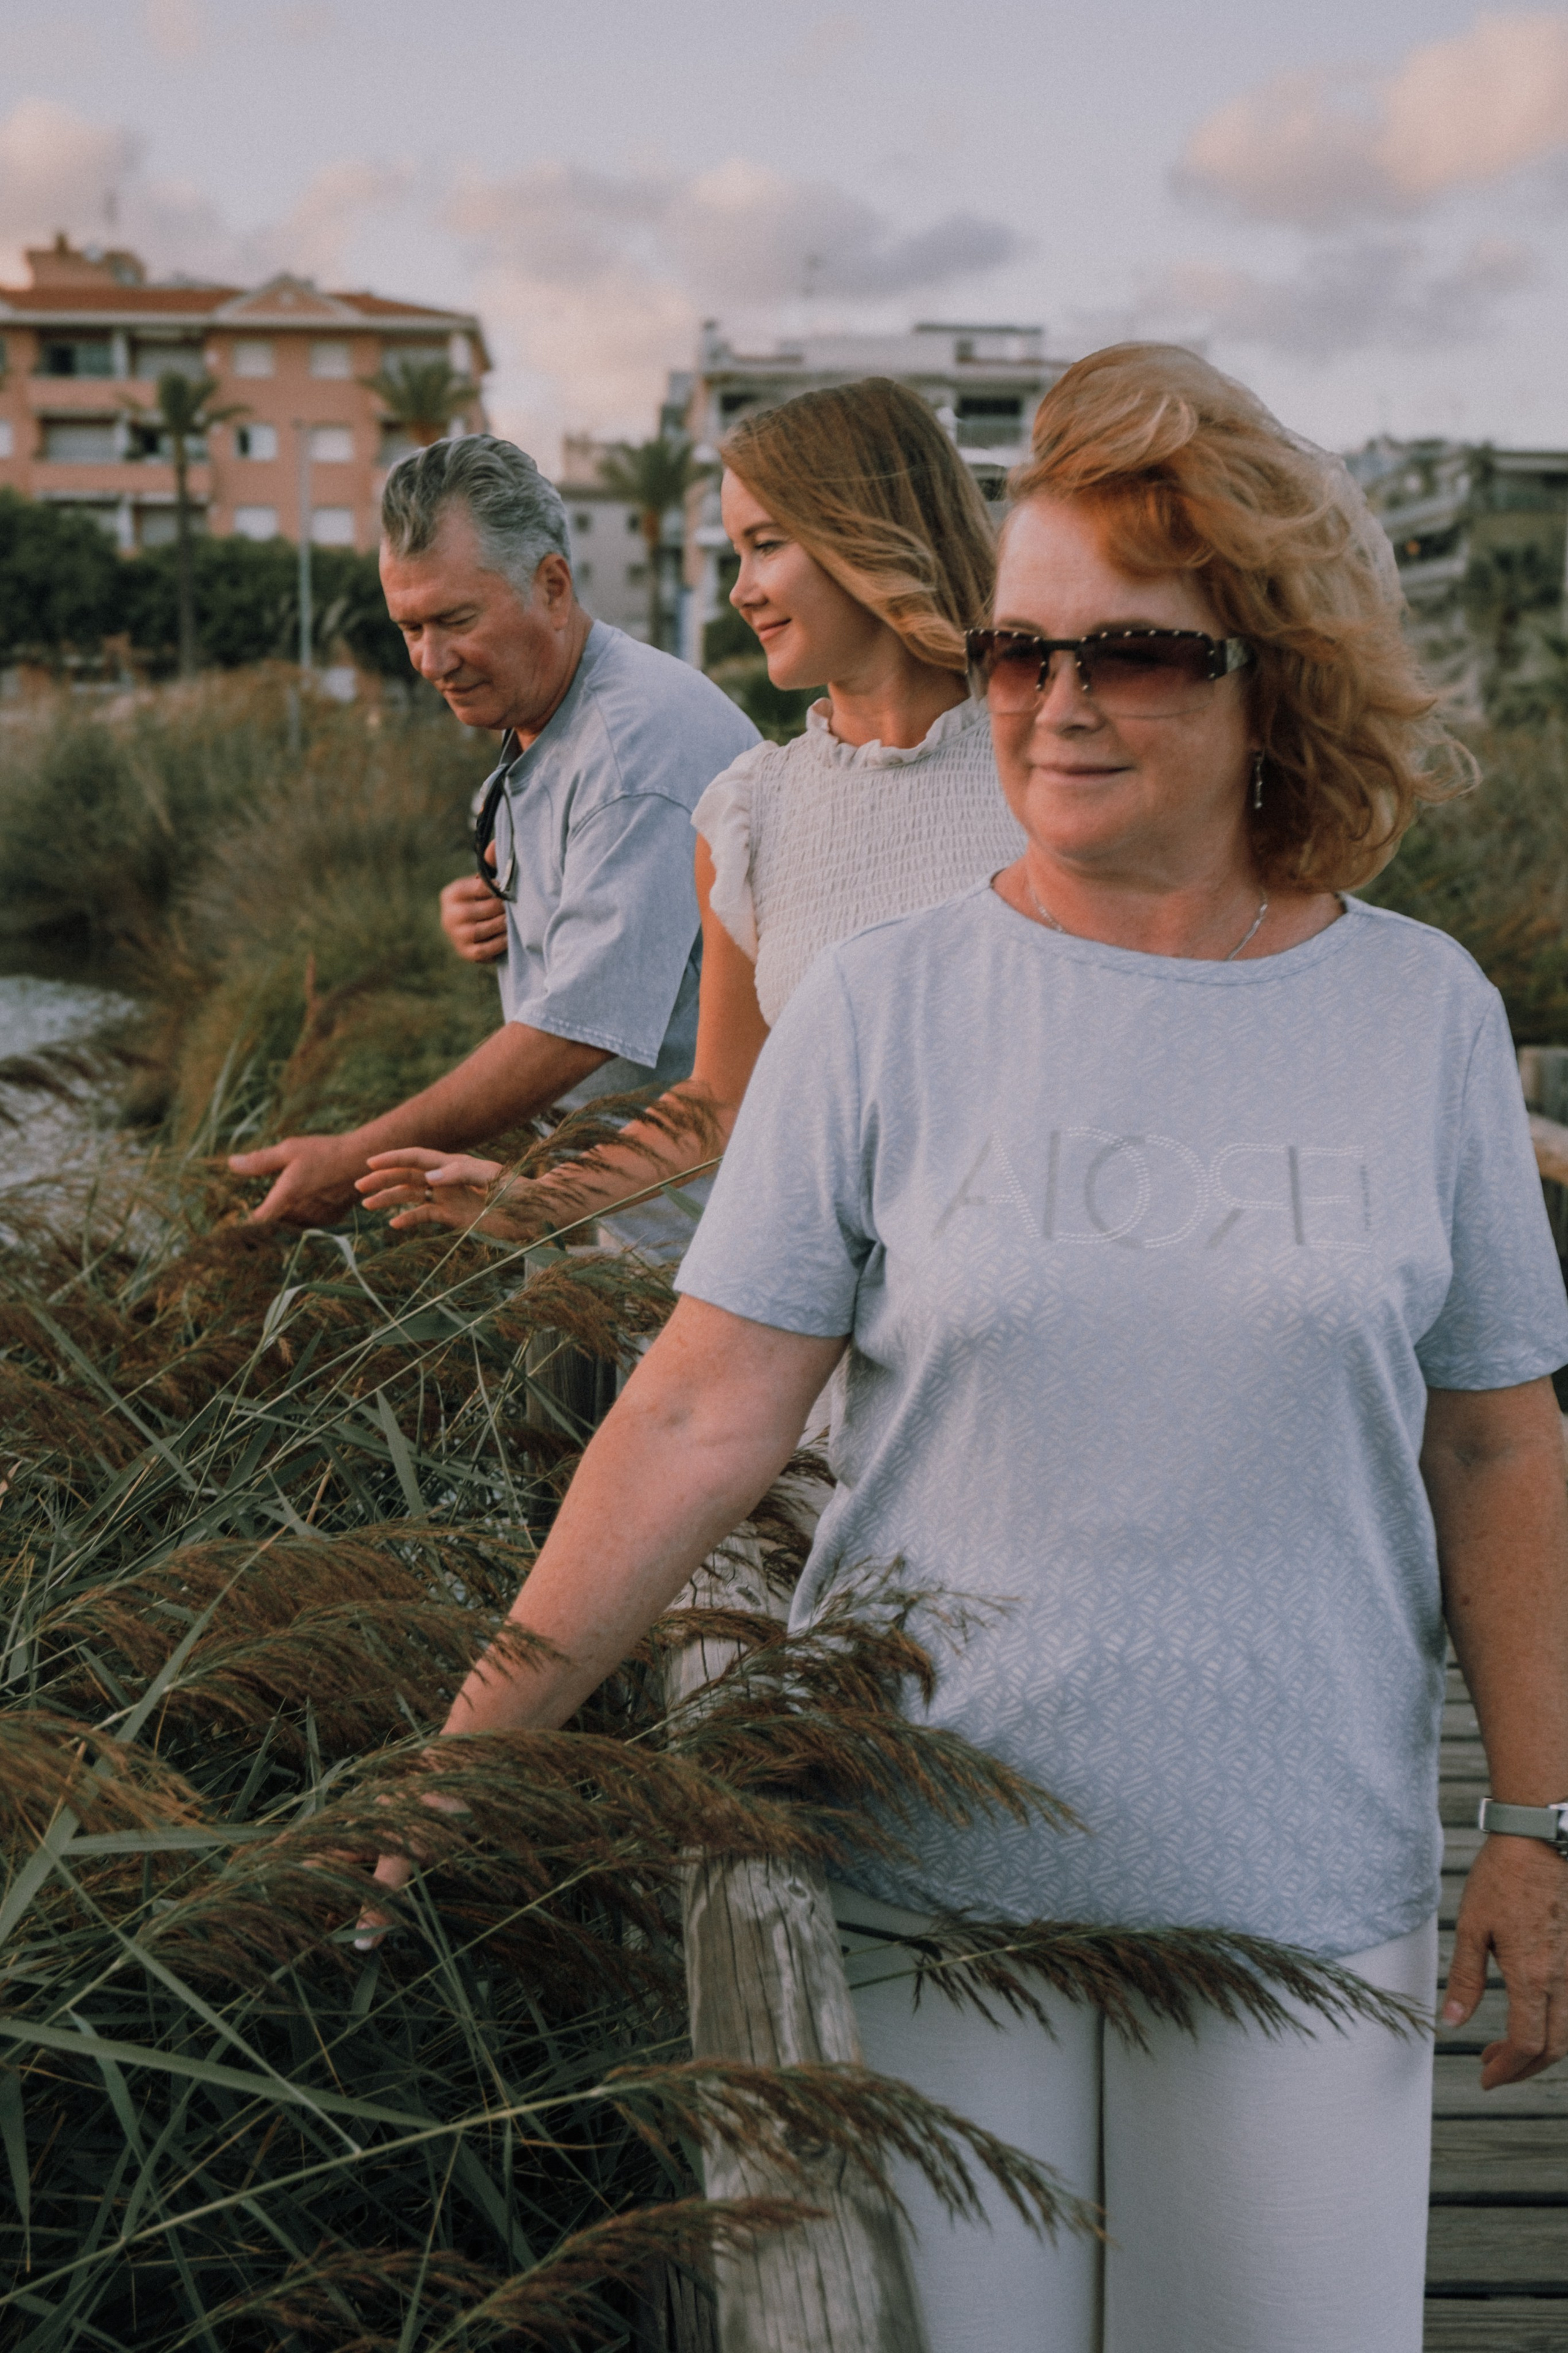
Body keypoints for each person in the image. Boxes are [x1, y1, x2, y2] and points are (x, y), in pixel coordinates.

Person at [366, 345, 1568, 2352]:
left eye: (1133, 654)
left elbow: (1502, 1445)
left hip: (1304, 1880)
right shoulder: (887, 1008)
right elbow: (697, 1405)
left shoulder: (1418, 1011)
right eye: (1019, 648)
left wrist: (1535, 1821)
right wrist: (470, 1750)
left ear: (1271, 667)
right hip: (930, 1880)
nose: (1057, 701)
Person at [355, 378, 1022, 1246]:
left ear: (872, 533)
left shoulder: (1044, 777)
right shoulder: (749, 813)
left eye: (767, 544)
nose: (741, 592)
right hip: (803, 1328)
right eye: (735, 552)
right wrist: (532, 1204)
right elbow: (717, 1106)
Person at [227, 434, 756, 1225]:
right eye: (409, 627)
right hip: (588, 1213)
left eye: (454, 620)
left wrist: (355, 1159)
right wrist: (498, 910)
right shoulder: (545, 711)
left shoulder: (632, 746)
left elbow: (578, 1030)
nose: (431, 659)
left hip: (687, 1234)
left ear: (551, 586)